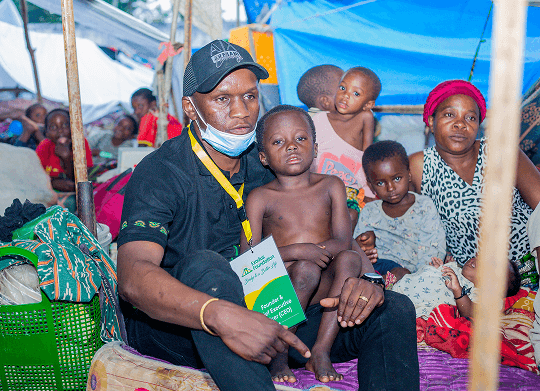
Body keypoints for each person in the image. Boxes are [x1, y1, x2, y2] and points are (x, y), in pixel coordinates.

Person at [117, 40, 419, 391]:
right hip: (190, 325)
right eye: (222, 99)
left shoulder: (266, 160)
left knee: (392, 308)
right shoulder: (163, 172)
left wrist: (367, 279)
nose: (242, 111)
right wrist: (219, 314)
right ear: (190, 107)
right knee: (208, 266)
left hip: (276, 313)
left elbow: (329, 232)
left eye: (249, 96)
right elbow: (133, 277)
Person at [242, 104, 362, 383]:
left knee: (350, 259)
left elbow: (343, 241)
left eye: (300, 138)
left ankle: (321, 350)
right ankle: (279, 352)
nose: (292, 147)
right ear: (263, 157)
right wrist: (297, 251)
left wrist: (314, 253)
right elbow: (248, 255)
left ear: (316, 148)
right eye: (278, 142)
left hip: (325, 287)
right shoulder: (260, 197)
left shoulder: (331, 185)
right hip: (278, 291)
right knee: (305, 268)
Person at [408, 80, 540, 289]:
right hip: (471, 285)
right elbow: (398, 215)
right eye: (450, 114)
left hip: (530, 273)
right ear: (431, 121)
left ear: (478, 126)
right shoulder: (418, 165)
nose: (460, 124)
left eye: (470, 117)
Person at [354, 140, 446, 280]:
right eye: (380, 183)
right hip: (380, 269)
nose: (390, 188)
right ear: (371, 186)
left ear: (409, 175)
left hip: (418, 274)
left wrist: (416, 276)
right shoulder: (370, 211)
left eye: (397, 178)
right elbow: (360, 251)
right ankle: (378, 286)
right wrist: (363, 245)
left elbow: (435, 249)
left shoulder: (424, 206)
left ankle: (381, 287)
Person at [296, 65, 363, 223]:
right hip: (341, 200)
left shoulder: (302, 122)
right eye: (342, 88)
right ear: (325, 101)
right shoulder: (333, 122)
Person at [313, 66, 382, 211]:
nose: (346, 96)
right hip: (321, 188)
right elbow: (310, 157)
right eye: (342, 88)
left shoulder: (365, 117)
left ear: (368, 104)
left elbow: (367, 155)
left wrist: (369, 191)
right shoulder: (319, 120)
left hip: (353, 188)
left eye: (356, 93)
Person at [392, 256, 521, 319]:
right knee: (400, 271)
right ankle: (376, 284)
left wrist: (458, 289)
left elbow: (469, 312)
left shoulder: (478, 294)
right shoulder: (456, 269)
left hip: (409, 306)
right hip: (400, 286)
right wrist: (439, 269)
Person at [35, 108, 93, 193]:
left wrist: (66, 159)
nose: (60, 131)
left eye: (65, 125)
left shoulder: (80, 143)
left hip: (75, 187)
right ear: (46, 132)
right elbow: (38, 176)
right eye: (53, 127)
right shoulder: (44, 146)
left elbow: (82, 180)